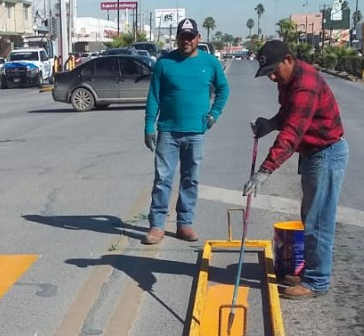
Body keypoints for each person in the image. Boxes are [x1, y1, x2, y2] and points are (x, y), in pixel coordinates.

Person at [242, 39, 347, 300]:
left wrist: (265, 170)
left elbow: (292, 133)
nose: (273, 77)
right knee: (310, 216)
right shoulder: (288, 81)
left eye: (275, 70)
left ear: (289, 59)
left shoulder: (305, 85)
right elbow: (287, 115)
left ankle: (317, 281)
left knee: (318, 221)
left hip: (326, 154)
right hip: (314, 155)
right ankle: (311, 271)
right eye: (268, 74)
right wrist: (270, 124)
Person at [143, 17, 230, 245]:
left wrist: (214, 114)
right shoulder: (164, 63)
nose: (186, 41)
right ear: (177, 37)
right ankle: (157, 225)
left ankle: (185, 223)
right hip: (168, 132)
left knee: (190, 179)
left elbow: (223, 89)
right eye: (183, 36)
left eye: (191, 37)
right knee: (163, 179)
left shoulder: (209, 63)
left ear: (198, 38)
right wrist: (148, 126)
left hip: (196, 132)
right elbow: (154, 97)